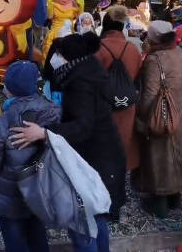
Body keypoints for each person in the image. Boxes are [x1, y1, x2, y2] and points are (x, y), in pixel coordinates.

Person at [10, 32, 126, 252]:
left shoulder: (80, 83)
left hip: (95, 158)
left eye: (59, 54)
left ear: (68, 58)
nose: (55, 59)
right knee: (96, 217)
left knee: (82, 222)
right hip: (104, 155)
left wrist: (44, 133)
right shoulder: (88, 71)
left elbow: (82, 126)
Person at [0, 61, 61, 252]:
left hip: (12, 195)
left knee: (14, 238)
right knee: (37, 232)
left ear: (8, 90)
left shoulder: (4, 121)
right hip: (42, 190)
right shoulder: (53, 111)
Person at [138, 21, 182, 218]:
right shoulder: (179, 53)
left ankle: (160, 203)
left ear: (153, 38)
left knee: (161, 157)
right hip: (181, 111)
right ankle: (175, 198)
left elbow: (149, 93)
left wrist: (142, 116)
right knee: (178, 153)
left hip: (161, 115)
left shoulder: (155, 60)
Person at [96, 6, 142, 172]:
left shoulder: (97, 48)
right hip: (126, 104)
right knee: (123, 139)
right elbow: (138, 75)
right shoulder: (132, 48)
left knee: (102, 147)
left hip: (102, 105)